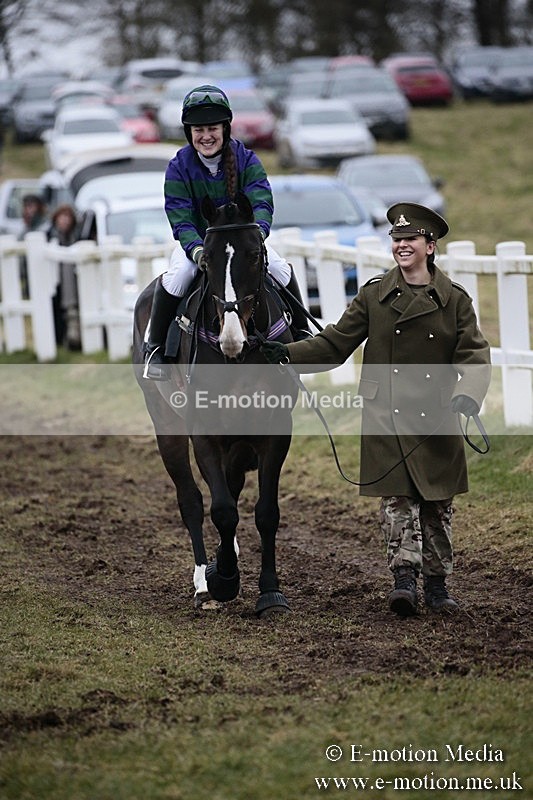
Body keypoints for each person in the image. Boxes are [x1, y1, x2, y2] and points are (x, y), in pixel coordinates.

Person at [261, 202, 491, 617]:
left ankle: (438, 587)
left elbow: (474, 354)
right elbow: (334, 344)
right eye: (397, 240)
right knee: (397, 501)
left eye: (410, 239)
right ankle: (404, 580)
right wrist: (284, 354)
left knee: (437, 505)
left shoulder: (455, 300)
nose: (402, 246)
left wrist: (468, 395)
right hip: (386, 414)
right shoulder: (374, 295)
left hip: (437, 415)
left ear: (430, 246)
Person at [143, 84, 310, 380]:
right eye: (198, 129)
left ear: (225, 128)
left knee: (282, 269)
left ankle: (301, 333)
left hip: (244, 243)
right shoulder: (179, 167)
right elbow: (180, 217)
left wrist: (257, 235)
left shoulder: (246, 159)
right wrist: (197, 250)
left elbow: (261, 199)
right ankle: (156, 350)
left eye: (212, 128)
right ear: (189, 132)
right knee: (176, 278)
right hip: (198, 244)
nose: (205, 136)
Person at [46, 204, 81, 349]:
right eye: (62, 217)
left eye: (67, 217)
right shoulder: (49, 237)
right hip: (55, 283)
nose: (65, 221)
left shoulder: (77, 238)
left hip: (72, 283)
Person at [18, 194, 48, 298]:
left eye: (31, 206)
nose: (28, 210)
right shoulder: (25, 229)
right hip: (27, 272)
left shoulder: (46, 227)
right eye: (26, 206)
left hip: (43, 273)